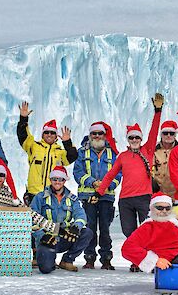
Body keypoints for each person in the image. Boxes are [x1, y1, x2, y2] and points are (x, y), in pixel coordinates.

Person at [97, 93, 164, 272]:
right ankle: (137, 259)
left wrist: (158, 111)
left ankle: (144, 262)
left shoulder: (148, 150)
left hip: (143, 198)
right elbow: (111, 174)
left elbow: (154, 130)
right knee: (129, 232)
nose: (134, 141)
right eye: (131, 138)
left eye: (137, 138)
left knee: (146, 231)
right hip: (126, 199)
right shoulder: (123, 156)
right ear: (128, 140)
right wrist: (99, 192)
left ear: (141, 139)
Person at [73, 121, 121, 270]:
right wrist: (93, 182)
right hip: (88, 196)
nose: (97, 136)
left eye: (100, 133)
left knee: (105, 228)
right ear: (90, 135)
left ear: (105, 135)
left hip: (107, 196)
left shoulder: (113, 153)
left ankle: (106, 258)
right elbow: (78, 172)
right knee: (90, 227)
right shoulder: (82, 152)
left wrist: (107, 185)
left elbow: (119, 173)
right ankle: (89, 258)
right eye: (94, 133)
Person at [30, 166, 93, 274]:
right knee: (46, 269)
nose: (57, 182)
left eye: (61, 179)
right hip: (47, 240)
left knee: (87, 232)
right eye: (54, 179)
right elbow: (31, 220)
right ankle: (48, 259)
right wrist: (42, 236)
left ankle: (67, 260)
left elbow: (81, 215)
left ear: (64, 181)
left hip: (65, 237)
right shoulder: (39, 198)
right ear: (50, 180)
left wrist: (76, 227)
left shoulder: (72, 199)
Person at [16, 102, 78, 205]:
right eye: (47, 132)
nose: (49, 135)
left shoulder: (59, 152)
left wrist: (67, 142)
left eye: (52, 133)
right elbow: (22, 136)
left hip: (52, 195)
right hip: (34, 194)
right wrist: (23, 119)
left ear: (56, 136)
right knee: (33, 221)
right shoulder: (34, 146)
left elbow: (73, 156)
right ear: (42, 134)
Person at [152, 120, 178, 199]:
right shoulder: (153, 150)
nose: (168, 135)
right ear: (161, 134)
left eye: (171, 133)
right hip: (156, 194)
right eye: (165, 133)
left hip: (177, 195)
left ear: (175, 135)